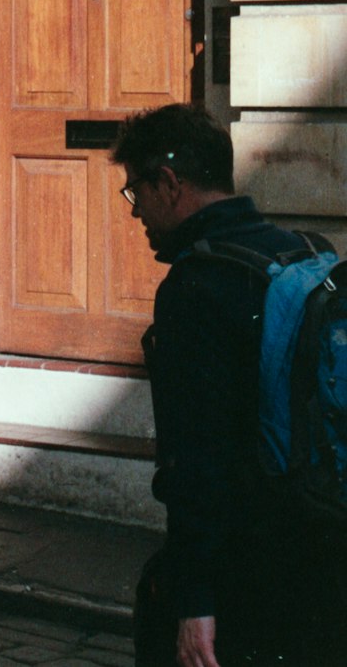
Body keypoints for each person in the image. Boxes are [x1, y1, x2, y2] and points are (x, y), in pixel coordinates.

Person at [112, 104, 344, 667]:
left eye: (135, 189)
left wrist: (194, 605)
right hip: (326, 542)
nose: (135, 209)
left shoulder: (197, 286)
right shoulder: (307, 250)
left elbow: (196, 465)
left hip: (250, 568)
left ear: (169, 183)